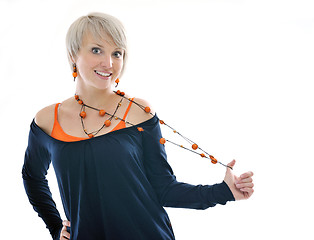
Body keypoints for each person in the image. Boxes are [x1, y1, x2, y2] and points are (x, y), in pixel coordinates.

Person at [22, 12, 254, 240]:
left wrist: (224, 191)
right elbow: (32, 177)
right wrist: (55, 227)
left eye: (117, 53)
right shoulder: (47, 120)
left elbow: (163, 188)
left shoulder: (138, 112)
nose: (109, 63)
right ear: (73, 54)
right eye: (96, 50)